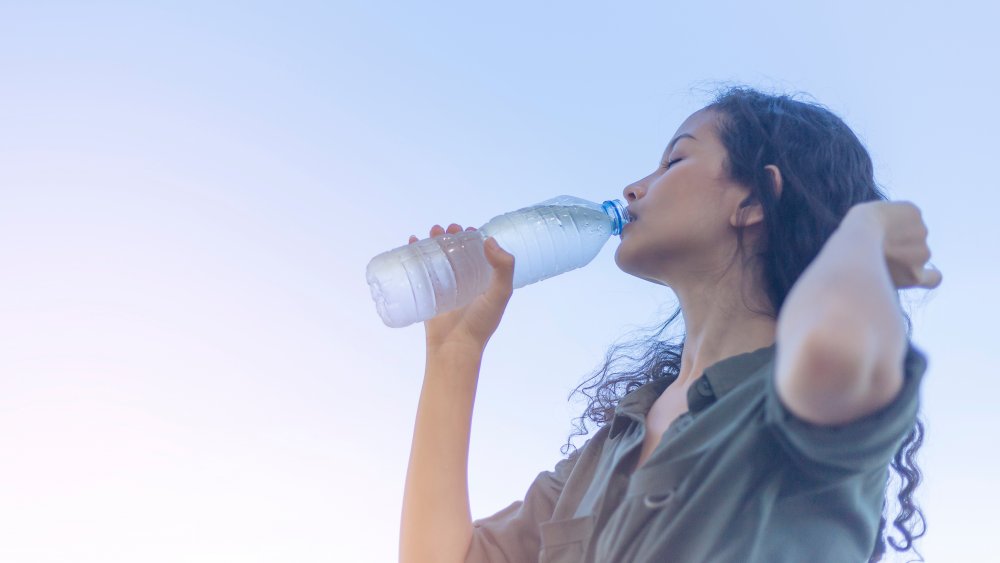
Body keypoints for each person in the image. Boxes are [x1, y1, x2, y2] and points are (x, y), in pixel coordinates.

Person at [398, 86, 942, 563]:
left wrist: (863, 236)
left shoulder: (812, 401)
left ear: (754, 200)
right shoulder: (613, 442)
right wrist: (455, 352)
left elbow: (832, 354)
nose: (634, 188)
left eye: (673, 162)